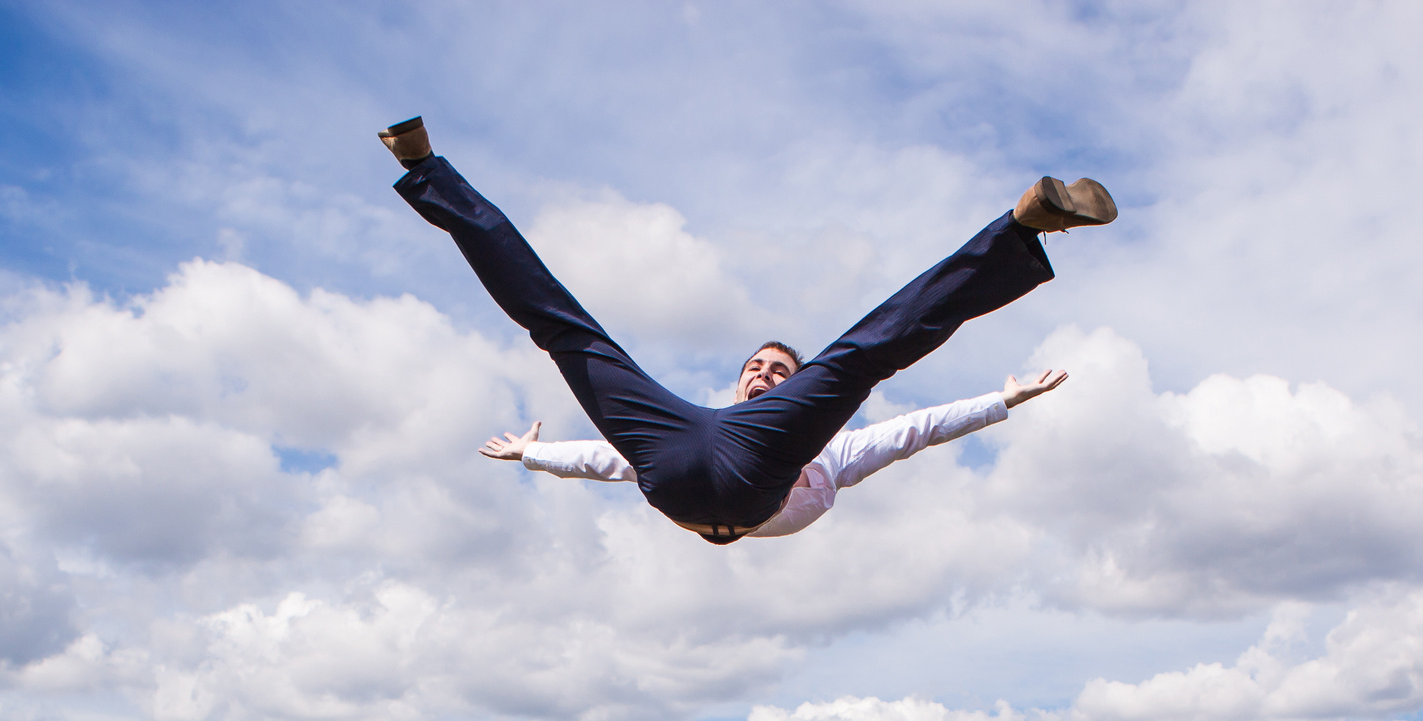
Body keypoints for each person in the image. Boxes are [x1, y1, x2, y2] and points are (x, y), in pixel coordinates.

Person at [379, 116, 1113, 543]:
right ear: (737, 382)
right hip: (690, 451)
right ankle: (426, 170)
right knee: (560, 324)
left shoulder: (827, 447)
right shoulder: (690, 426)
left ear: (794, 396)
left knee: (862, 355)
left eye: (780, 372)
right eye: (756, 368)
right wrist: (535, 455)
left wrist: (1000, 402)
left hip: (744, 469)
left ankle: (1022, 227)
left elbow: (913, 431)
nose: (765, 373)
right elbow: (604, 459)